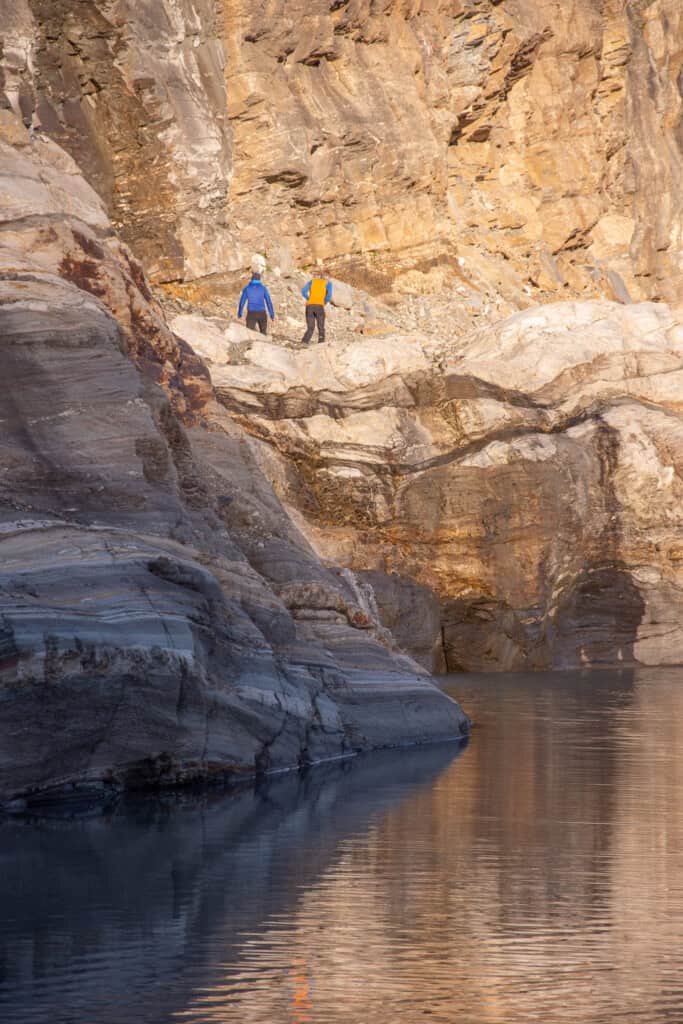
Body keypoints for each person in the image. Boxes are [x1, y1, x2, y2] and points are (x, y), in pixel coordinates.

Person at [301, 272, 333, 344]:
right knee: (321, 326)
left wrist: (309, 298)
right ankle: (321, 342)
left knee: (310, 327)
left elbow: (303, 292)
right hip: (319, 306)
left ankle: (304, 341)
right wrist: (324, 302)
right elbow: (329, 295)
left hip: (309, 306)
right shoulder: (328, 283)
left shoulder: (312, 281)